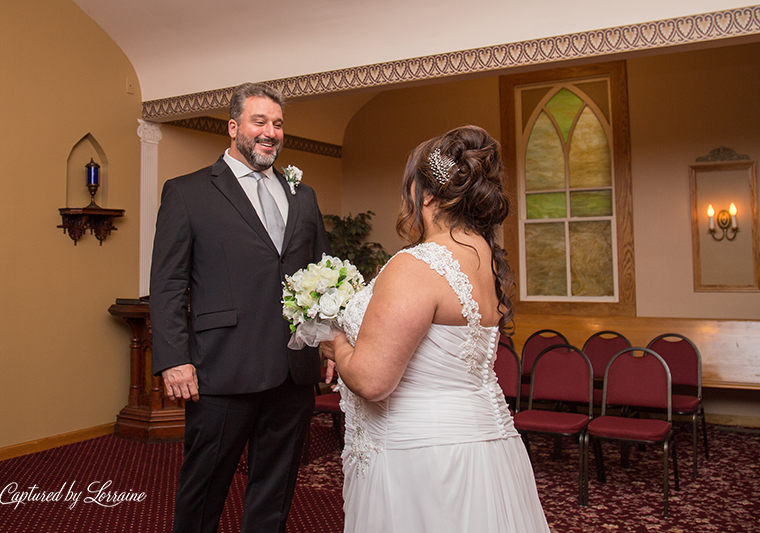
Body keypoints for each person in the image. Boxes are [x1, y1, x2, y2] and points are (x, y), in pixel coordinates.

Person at [321, 125, 551, 532]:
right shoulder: (487, 258)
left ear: (425, 194)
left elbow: (373, 381)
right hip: (488, 451)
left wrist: (336, 344)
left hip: (422, 458)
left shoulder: (417, 266)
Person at [150, 82, 331, 533]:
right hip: (222, 367)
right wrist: (175, 359)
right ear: (234, 128)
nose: (270, 132)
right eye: (259, 121)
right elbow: (168, 283)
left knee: (276, 487)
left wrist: (328, 343)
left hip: (293, 367)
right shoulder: (187, 192)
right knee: (204, 486)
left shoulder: (303, 196)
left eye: (277, 123)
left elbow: (322, 275)